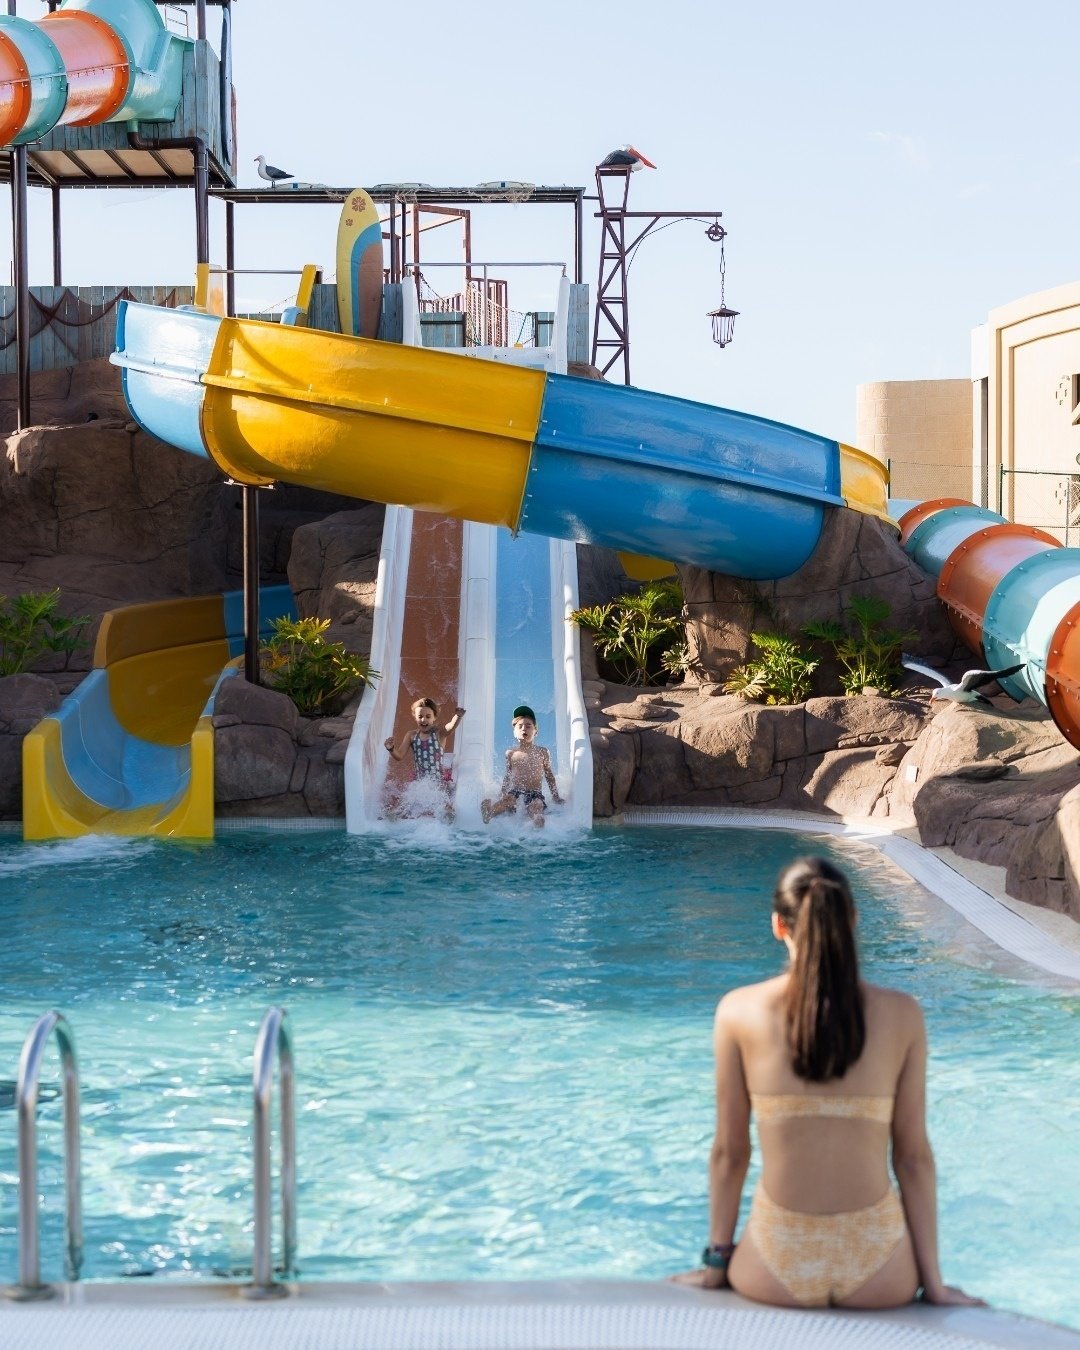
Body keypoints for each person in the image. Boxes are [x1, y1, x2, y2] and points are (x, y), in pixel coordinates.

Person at [674, 856, 981, 1310]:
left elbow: (730, 1153)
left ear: (779, 925)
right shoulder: (903, 1015)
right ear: (852, 920)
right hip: (882, 1267)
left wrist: (716, 1263)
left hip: (774, 1262)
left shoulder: (737, 1012)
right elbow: (913, 1158)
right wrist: (933, 1284)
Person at [480, 705, 563, 828]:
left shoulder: (542, 752)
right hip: (516, 791)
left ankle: (537, 820)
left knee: (537, 804)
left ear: (536, 731)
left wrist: (556, 797)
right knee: (508, 800)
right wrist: (502, 793)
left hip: (535, 793)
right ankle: (490, 812)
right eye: (520, 726)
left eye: (528, 726)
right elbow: (508, 776)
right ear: (514, 732)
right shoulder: (511, 753)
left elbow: (549, 775)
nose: (524, 729)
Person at [384, 697, 464, 785]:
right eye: (420, 716)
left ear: (434, 717)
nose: (423, 720)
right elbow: (399, 756)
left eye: (428, 716)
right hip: (420, 783)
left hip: (438, 783)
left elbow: (450, 727)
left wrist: (458, 716)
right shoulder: (411, 735)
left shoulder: (439, 733)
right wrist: (391, 749)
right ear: (415, 717)